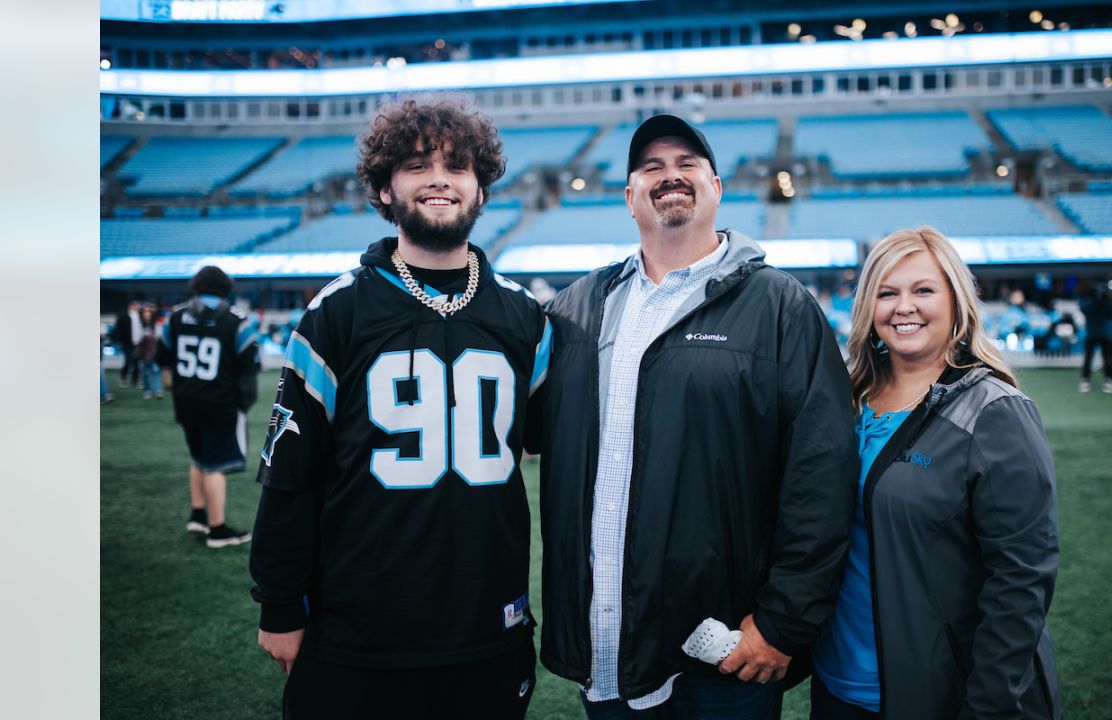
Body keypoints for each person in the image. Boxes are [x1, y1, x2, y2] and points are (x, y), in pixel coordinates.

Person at [530, 114, 855, 718]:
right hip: (606, 653)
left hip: (723, 653)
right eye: (651, 167)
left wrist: (783, 620)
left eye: (687, 165)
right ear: (629, 198)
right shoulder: (574, 310)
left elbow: (823, 473)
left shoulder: (780, 306)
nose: (669, 176)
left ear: (716, 188)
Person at [250, 97, 551, 720]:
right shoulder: (335, 312)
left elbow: (568, 458)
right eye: (417, 166)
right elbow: (289, 477)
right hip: (359, 630)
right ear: (385, 189)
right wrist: (280, 604)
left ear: (481, 189)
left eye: (457, 166)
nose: (439, 178)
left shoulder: (525, 316)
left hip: (487, 625)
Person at [811, 227, 1060, 720]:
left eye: (923, 290)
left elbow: (1021, 581)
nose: (904, 306)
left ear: (956, 300)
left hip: (940, 692)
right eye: (887, 292)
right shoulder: (842, 400)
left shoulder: (996, 410)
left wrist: (988, 704)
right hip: (838, 686)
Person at [155, 266, 260, 547]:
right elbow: (250, 365)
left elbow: (161, 355)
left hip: (186, 399)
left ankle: (198, 514)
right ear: (226, 288)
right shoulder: (236, 320)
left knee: (198, 459)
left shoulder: (175, 316)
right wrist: (244, 401)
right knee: (215, 465)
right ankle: (217, 529)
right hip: (221, 402)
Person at [1077, 280, 1112, 393]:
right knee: (1088, 359)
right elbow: (1084, 309)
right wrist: (1095, 300)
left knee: (1107, 359)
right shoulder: (1088, 301)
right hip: (1091, 333)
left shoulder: (1105, 302)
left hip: (1103, 333)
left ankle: (1108, 380)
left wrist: (1105, 300)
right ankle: (1085, 380)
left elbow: (1111, 312)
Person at [138, 304, 164, 400]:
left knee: (156, 371)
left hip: (155, 351)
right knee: (145, 372)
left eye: (149, 312)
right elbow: (136, 339)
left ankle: (157, 391)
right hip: (143, 352)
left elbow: (160, 337)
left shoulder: (157, 324)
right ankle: (147, 390)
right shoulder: (139, 324)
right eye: (145, 312)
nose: (147, 314)